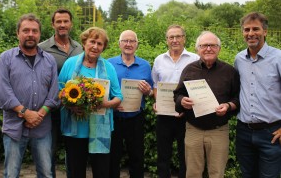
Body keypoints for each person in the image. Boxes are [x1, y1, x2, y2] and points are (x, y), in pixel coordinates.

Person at [0, 13, 59, 178]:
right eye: (26, 30)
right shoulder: (5, 59)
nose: (30, 34)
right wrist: (25, 113)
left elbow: (54, 93)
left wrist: (40, 114)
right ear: (18, 33)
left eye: (34, 31)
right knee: (11, 174)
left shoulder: (49, 61)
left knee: (46, 173)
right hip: (14, 127)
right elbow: (2, 93)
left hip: (42, 127)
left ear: (39, 34)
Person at [58, 27, 123, 178]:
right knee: (75, 172)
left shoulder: (108, 67)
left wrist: (106, 104)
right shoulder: (70, 63)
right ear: (84, 42)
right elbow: (59, 91)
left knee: (101, 172)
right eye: (92, 41)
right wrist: (71, 105)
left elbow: (118, 96)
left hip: (101, 130)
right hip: (75, 131)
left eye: (99, 44)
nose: (95, 46)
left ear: (103, 47)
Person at [173, 31, 240, 178]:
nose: (208, 49)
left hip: (219, 130)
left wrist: (228, 106)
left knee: (216, 173)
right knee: (192, 173)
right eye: (204, 45)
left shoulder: (230, 71)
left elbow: (238, 99)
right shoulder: (189, 69)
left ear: (219, 49)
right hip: (193, 129)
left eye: (212, 45)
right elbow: (177, 94)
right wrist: (182, 101)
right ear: (198, 49)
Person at [234, 12, 281, 178]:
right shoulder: (239, 59)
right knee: (247, 175)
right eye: (247, 29)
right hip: (244, 132)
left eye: (256, 29)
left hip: (271, 133)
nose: (251, 33)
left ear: (265, 32)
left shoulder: (278, 58)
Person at [38, 8, 83, 177]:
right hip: (51, 109)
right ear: (53, 24)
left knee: (73, 153)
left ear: (71, 24)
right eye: (59, 21)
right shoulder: (41, 48)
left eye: (66, 21)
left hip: (73, 109)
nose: (62, 25)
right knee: (48, 152)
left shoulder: (79, 47)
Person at [151, 25, 199, 178]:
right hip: (164, 116)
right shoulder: (159, 60)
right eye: (171, 37)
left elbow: (199, 87)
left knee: (185, 155)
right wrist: (157, 101)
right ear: (166, 40)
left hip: (187, 116)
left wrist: (185, 109)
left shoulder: (195, 59)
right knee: (163, 154)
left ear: (184, 38)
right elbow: (156, 86)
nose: (175, 40)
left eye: (178, 36)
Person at [108, 30, 153, 178]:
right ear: (119, 44)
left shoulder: (145, 65)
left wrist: (148, 91)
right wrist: (111, 103)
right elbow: (103, 90)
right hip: (113, 117)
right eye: (125, 41)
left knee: (136, 156)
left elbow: (151, 91)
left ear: (137, 45)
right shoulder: (109, 64)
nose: (128, 44)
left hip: (135, 117)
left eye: (132, 41)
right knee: (113, 156)